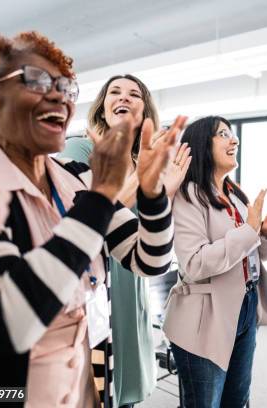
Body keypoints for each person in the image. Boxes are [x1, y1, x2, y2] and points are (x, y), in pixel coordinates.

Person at [0, 31, 186, 407]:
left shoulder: (74, 177)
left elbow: (150, 260)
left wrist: (152, 192)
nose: (60, 96)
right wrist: (101, 198)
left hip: (78, 377)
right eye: (37, 81)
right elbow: (10, 321)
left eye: (66, 86)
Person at [60, 74, 190, 408]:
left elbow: (153, 237)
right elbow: (86, 217)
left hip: (133, 275)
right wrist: (142, 186)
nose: (124, 97)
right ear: (103, 108)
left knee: (125, 388)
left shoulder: (143, 160)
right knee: (95, 383)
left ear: (144, 109)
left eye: (134, 94)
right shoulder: (82, 148)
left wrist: (164, 194)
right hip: (97, 278)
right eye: (115, 92)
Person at [163, 116, 267, 407]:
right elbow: (194, 264)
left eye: (233, 134)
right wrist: (249, 231)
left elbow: (259, 255)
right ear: (202, 145)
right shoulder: (188, 194)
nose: (235, 140)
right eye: (223, 134)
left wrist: (266, 233)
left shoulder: (235, 194)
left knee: (237, 400)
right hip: (203, 317)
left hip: (244, 306)